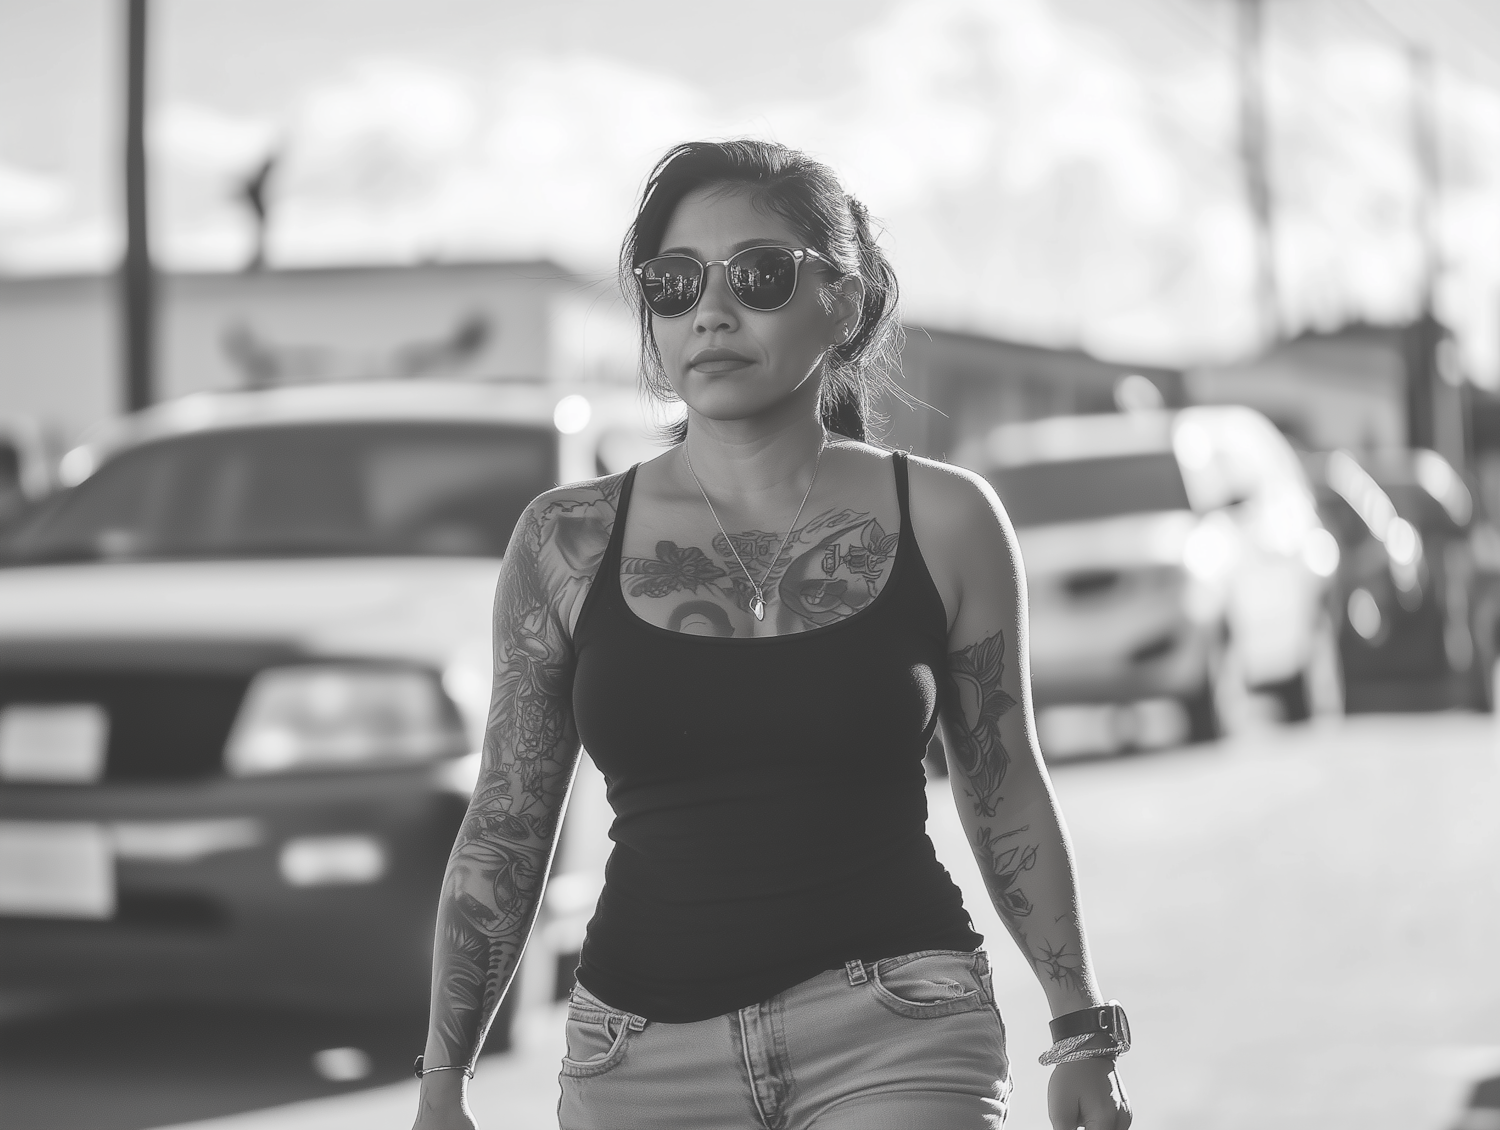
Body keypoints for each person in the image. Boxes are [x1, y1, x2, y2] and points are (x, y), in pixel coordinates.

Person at [411, 139, 1133, 1130]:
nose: (710, 310)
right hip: (638, 1055)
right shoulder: (565, 541)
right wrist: (443, 1082)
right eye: (672, 283)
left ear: (841, 296)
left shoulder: (947, 518)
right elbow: (507, 818)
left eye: (756, 276)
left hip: (897, 1023)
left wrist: (1081, 1025)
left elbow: (1004, 783)